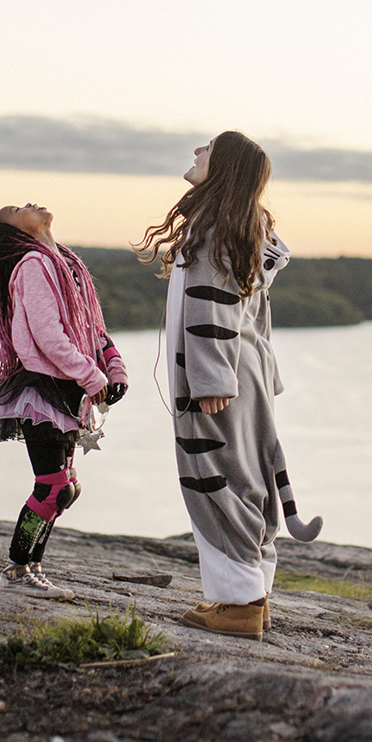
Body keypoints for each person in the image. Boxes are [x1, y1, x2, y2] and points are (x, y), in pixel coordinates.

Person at [135, 131, 321, 641]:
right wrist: (257, 378)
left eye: (207, 147)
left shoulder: (217, 227)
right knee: (250, 479)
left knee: (212, 477)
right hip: (247, 371)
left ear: (226, 167)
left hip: (218, 375)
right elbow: (253, 315)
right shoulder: (244, 226)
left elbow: (210, 304)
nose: (196, 151)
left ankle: (237, 603)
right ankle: (251, 594)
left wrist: (211, 378)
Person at [0, 203, 128, 599]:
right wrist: (91, 375)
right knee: (52, 487)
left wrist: (112, 361)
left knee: (65, 489)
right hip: (41, 391)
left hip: (63, 391)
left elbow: (87, 325)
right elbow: (48, 336)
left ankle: (31, 568)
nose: (27, 204)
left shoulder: (62, 262)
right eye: (15, 209)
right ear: (15, 233)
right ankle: (15, 572)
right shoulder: (33, 265)